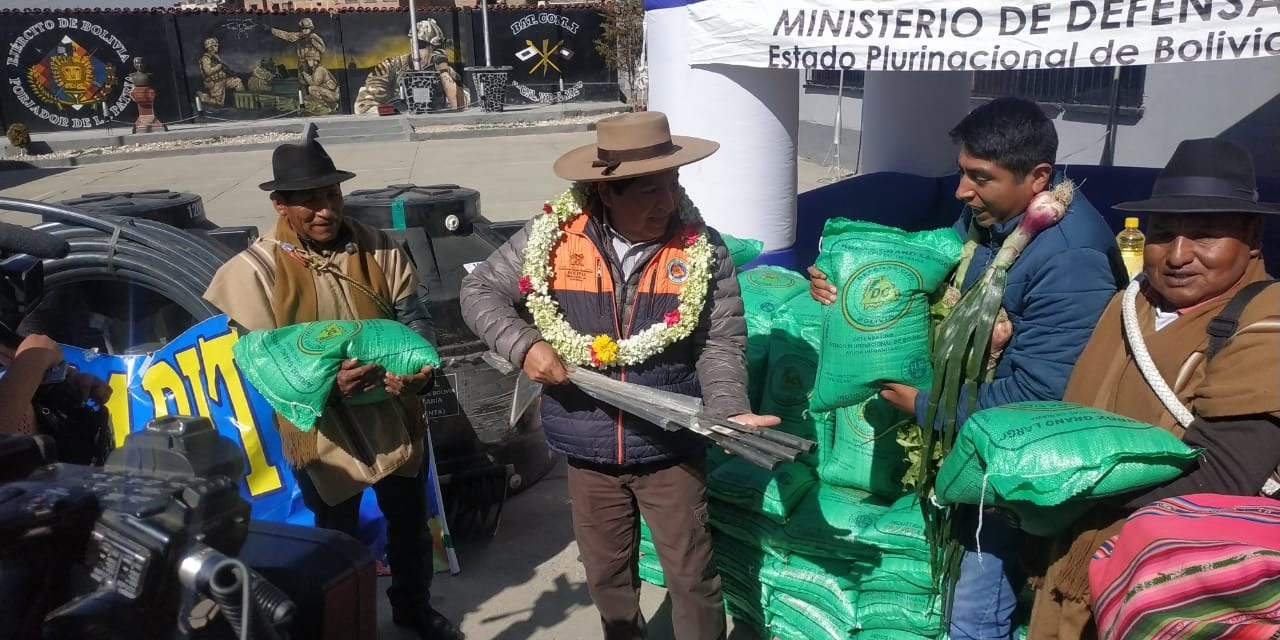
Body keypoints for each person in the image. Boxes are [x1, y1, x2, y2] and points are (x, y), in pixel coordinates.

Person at [808, 97, 1127, 640]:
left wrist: (926, 406)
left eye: (979, 177)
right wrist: (858, 287)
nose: (961, 191)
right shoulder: (996, 221)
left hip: (1006, 469)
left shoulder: (1068, 259)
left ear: (1038, 177)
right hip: (968, 444)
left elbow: (1042, 397)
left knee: (974, 614)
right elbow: (934, 264)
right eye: (961, 173)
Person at [460, 111, 779, 640]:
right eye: (650, 190)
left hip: (669, 448)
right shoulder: (554, 238)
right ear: (606, 192)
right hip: (587, 450)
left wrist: (727, 411)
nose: (667, 201)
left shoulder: (703, 249)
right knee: (607, 578)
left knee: (692, 577)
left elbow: (720, 341)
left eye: (673, 182)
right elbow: (480, 291)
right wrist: (525, 345)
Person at [203, 130, 463, 640]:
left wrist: (414, 370)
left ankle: (413, 607)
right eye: (308, 202)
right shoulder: (254, 271)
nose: (325, 210)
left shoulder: (382, 248)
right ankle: (341, 623)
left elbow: (417, 322)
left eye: (332, 195)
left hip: (393, 414)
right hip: (323, 432)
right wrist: (326, 385)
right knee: (334, 540)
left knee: (410, 528)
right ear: (280, 204)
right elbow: (259, 365)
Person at [1026, 138, 1280, 640]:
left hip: (1158, 589)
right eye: (1163, 234)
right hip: (1067, 560)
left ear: (1252, 237)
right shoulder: (1130, 302)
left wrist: (1067, 494)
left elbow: (1224, 476)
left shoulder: (1265, 323)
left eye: (1204, 236)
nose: (1178, 256)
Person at [197, 38, 244, 107]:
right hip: (214, 81)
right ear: (210, 47)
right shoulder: (205, 58)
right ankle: (203, 97)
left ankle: (242, 102)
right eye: (215, 45)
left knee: (238, 81)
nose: (217, 47)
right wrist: (218, 67)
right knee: (218, 103)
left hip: (223, 79)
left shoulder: (216, 56)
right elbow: (208, 72)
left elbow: (221, 67)